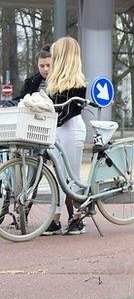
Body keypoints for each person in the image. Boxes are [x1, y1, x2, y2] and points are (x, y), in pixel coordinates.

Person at [44, 37, 88, 236]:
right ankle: (56, 217)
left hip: (71, 130)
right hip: (58, 130)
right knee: (58, 177)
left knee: (72, 177)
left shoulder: (78, 84)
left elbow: (68, 113)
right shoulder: (53, 84)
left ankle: (78, 217)